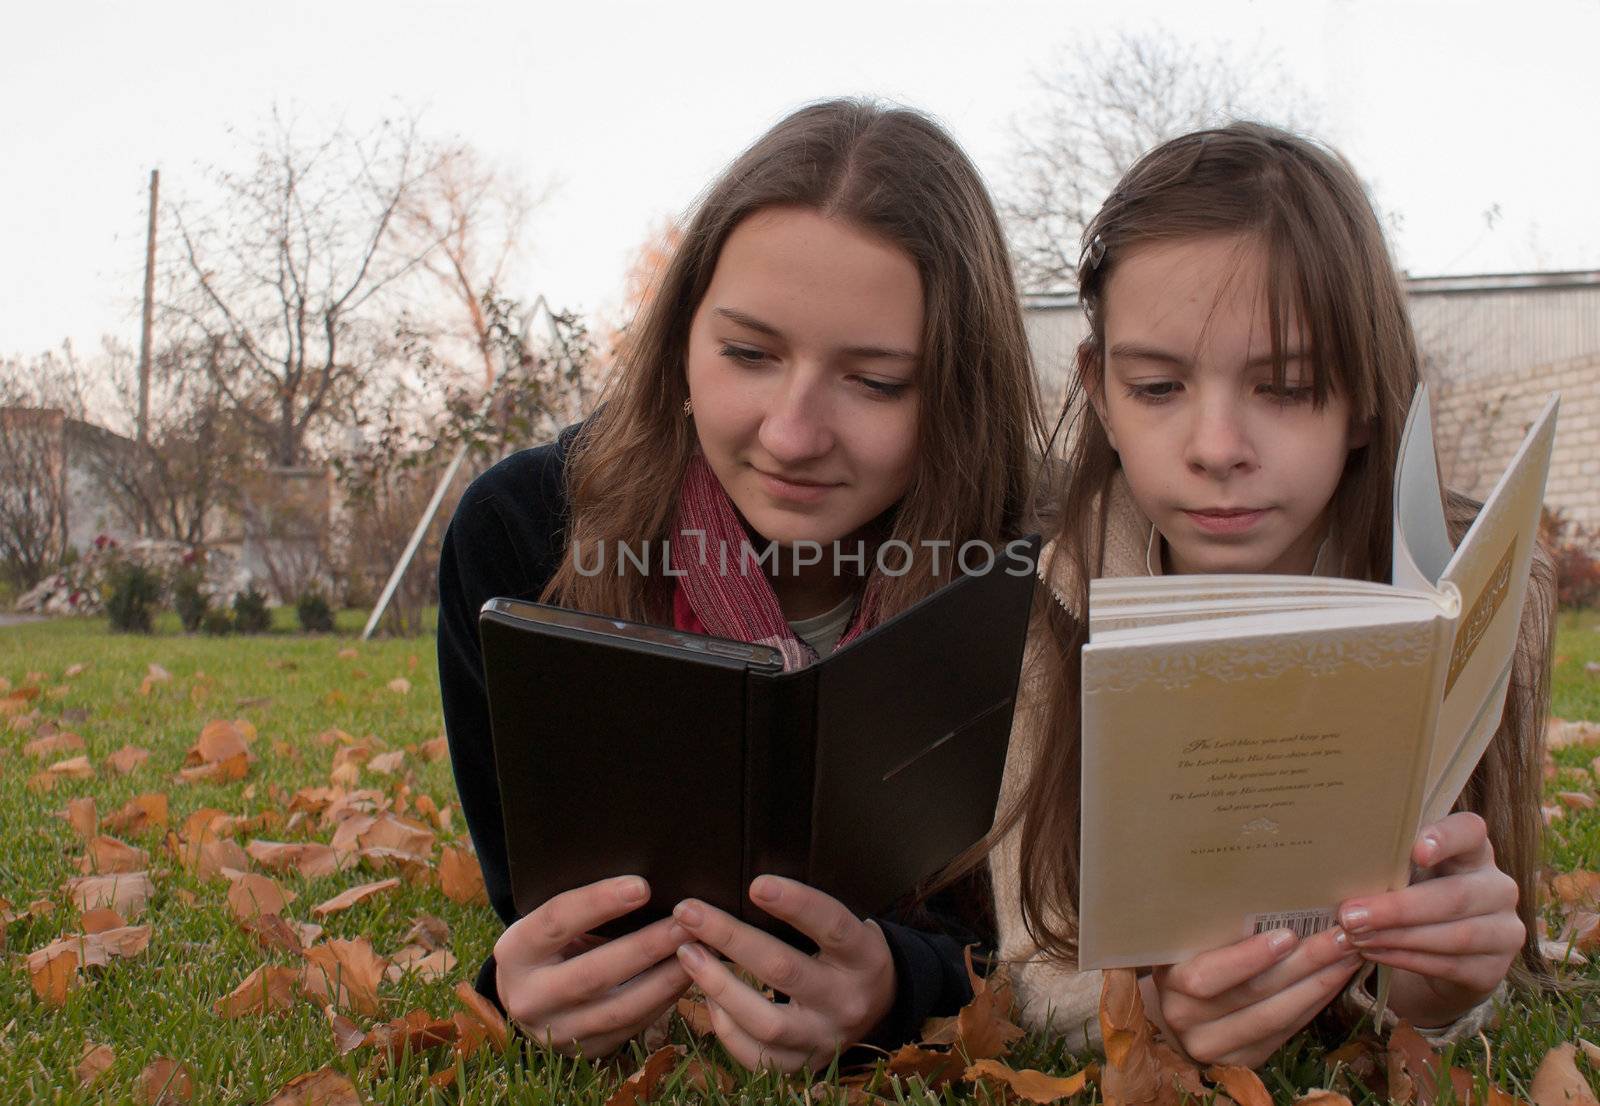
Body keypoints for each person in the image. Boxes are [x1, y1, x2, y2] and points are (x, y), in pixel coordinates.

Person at [437, 97, 1047, 1072]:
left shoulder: (1032, 575)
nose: (793, 434)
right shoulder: (517, 533)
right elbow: (538, 907)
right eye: (749, 353)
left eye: (876, 380)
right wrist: (522, 987)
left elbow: (1034, 945)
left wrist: (896, 986)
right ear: (681, 342)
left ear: (957, 391)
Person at [988, 121, 1554, 1066]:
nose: (1217, 447)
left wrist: (1435, 992)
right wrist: (1151, 1016)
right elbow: (1032, 961)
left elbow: (1486, 936)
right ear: (1098, 389)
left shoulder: (1481, 591)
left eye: (1286, 387)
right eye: (1159, 385)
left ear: (1365, 395)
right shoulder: (1044, 606)